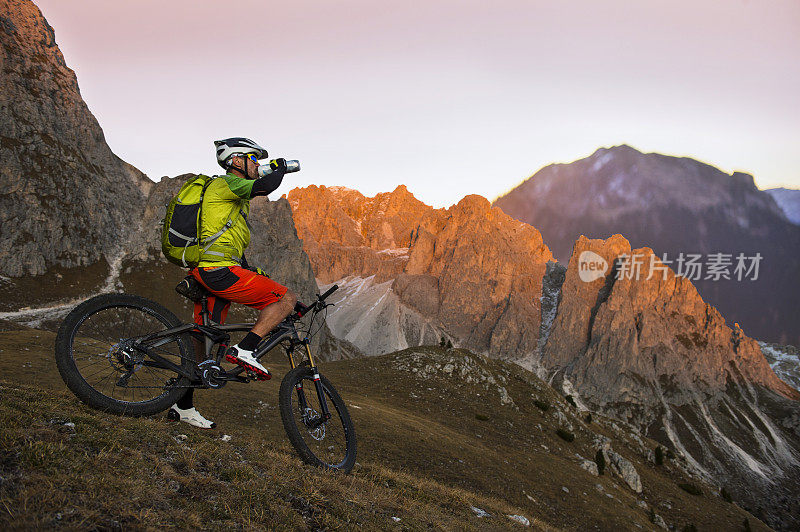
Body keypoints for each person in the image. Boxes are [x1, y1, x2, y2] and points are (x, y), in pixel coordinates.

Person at [168, 137, 298, 429]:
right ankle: (246, 349)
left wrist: (255, 272)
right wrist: (278, 168)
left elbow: (233, 252)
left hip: (211, 272)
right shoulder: (228, 183)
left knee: (204, 340)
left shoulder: (232, 200)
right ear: (237, 161)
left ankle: (182, 406)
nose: (258, 166)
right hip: (218, 272)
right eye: (254, 159)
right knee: (286, 297)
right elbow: (264, 187)